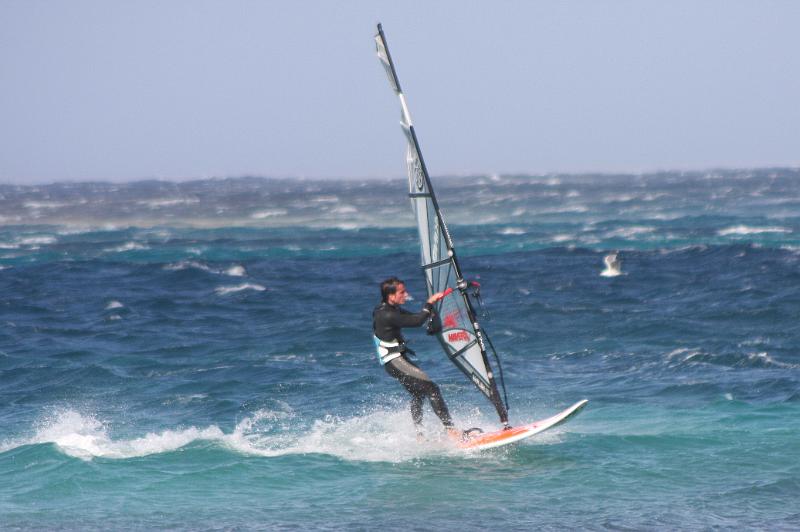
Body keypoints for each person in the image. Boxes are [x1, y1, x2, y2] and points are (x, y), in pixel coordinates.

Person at [372, 277, 460, 437]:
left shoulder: (392, 309)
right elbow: (416, 321)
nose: (406, 295)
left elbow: (416, 317)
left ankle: (419, 434)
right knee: (432, 389)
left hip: (398, 359)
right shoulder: (386, 314)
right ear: (391, 296)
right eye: (402, 292)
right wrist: (429, 303)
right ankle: (452, 431)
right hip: (395, 361)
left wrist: (432, 314)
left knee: (418, 393)